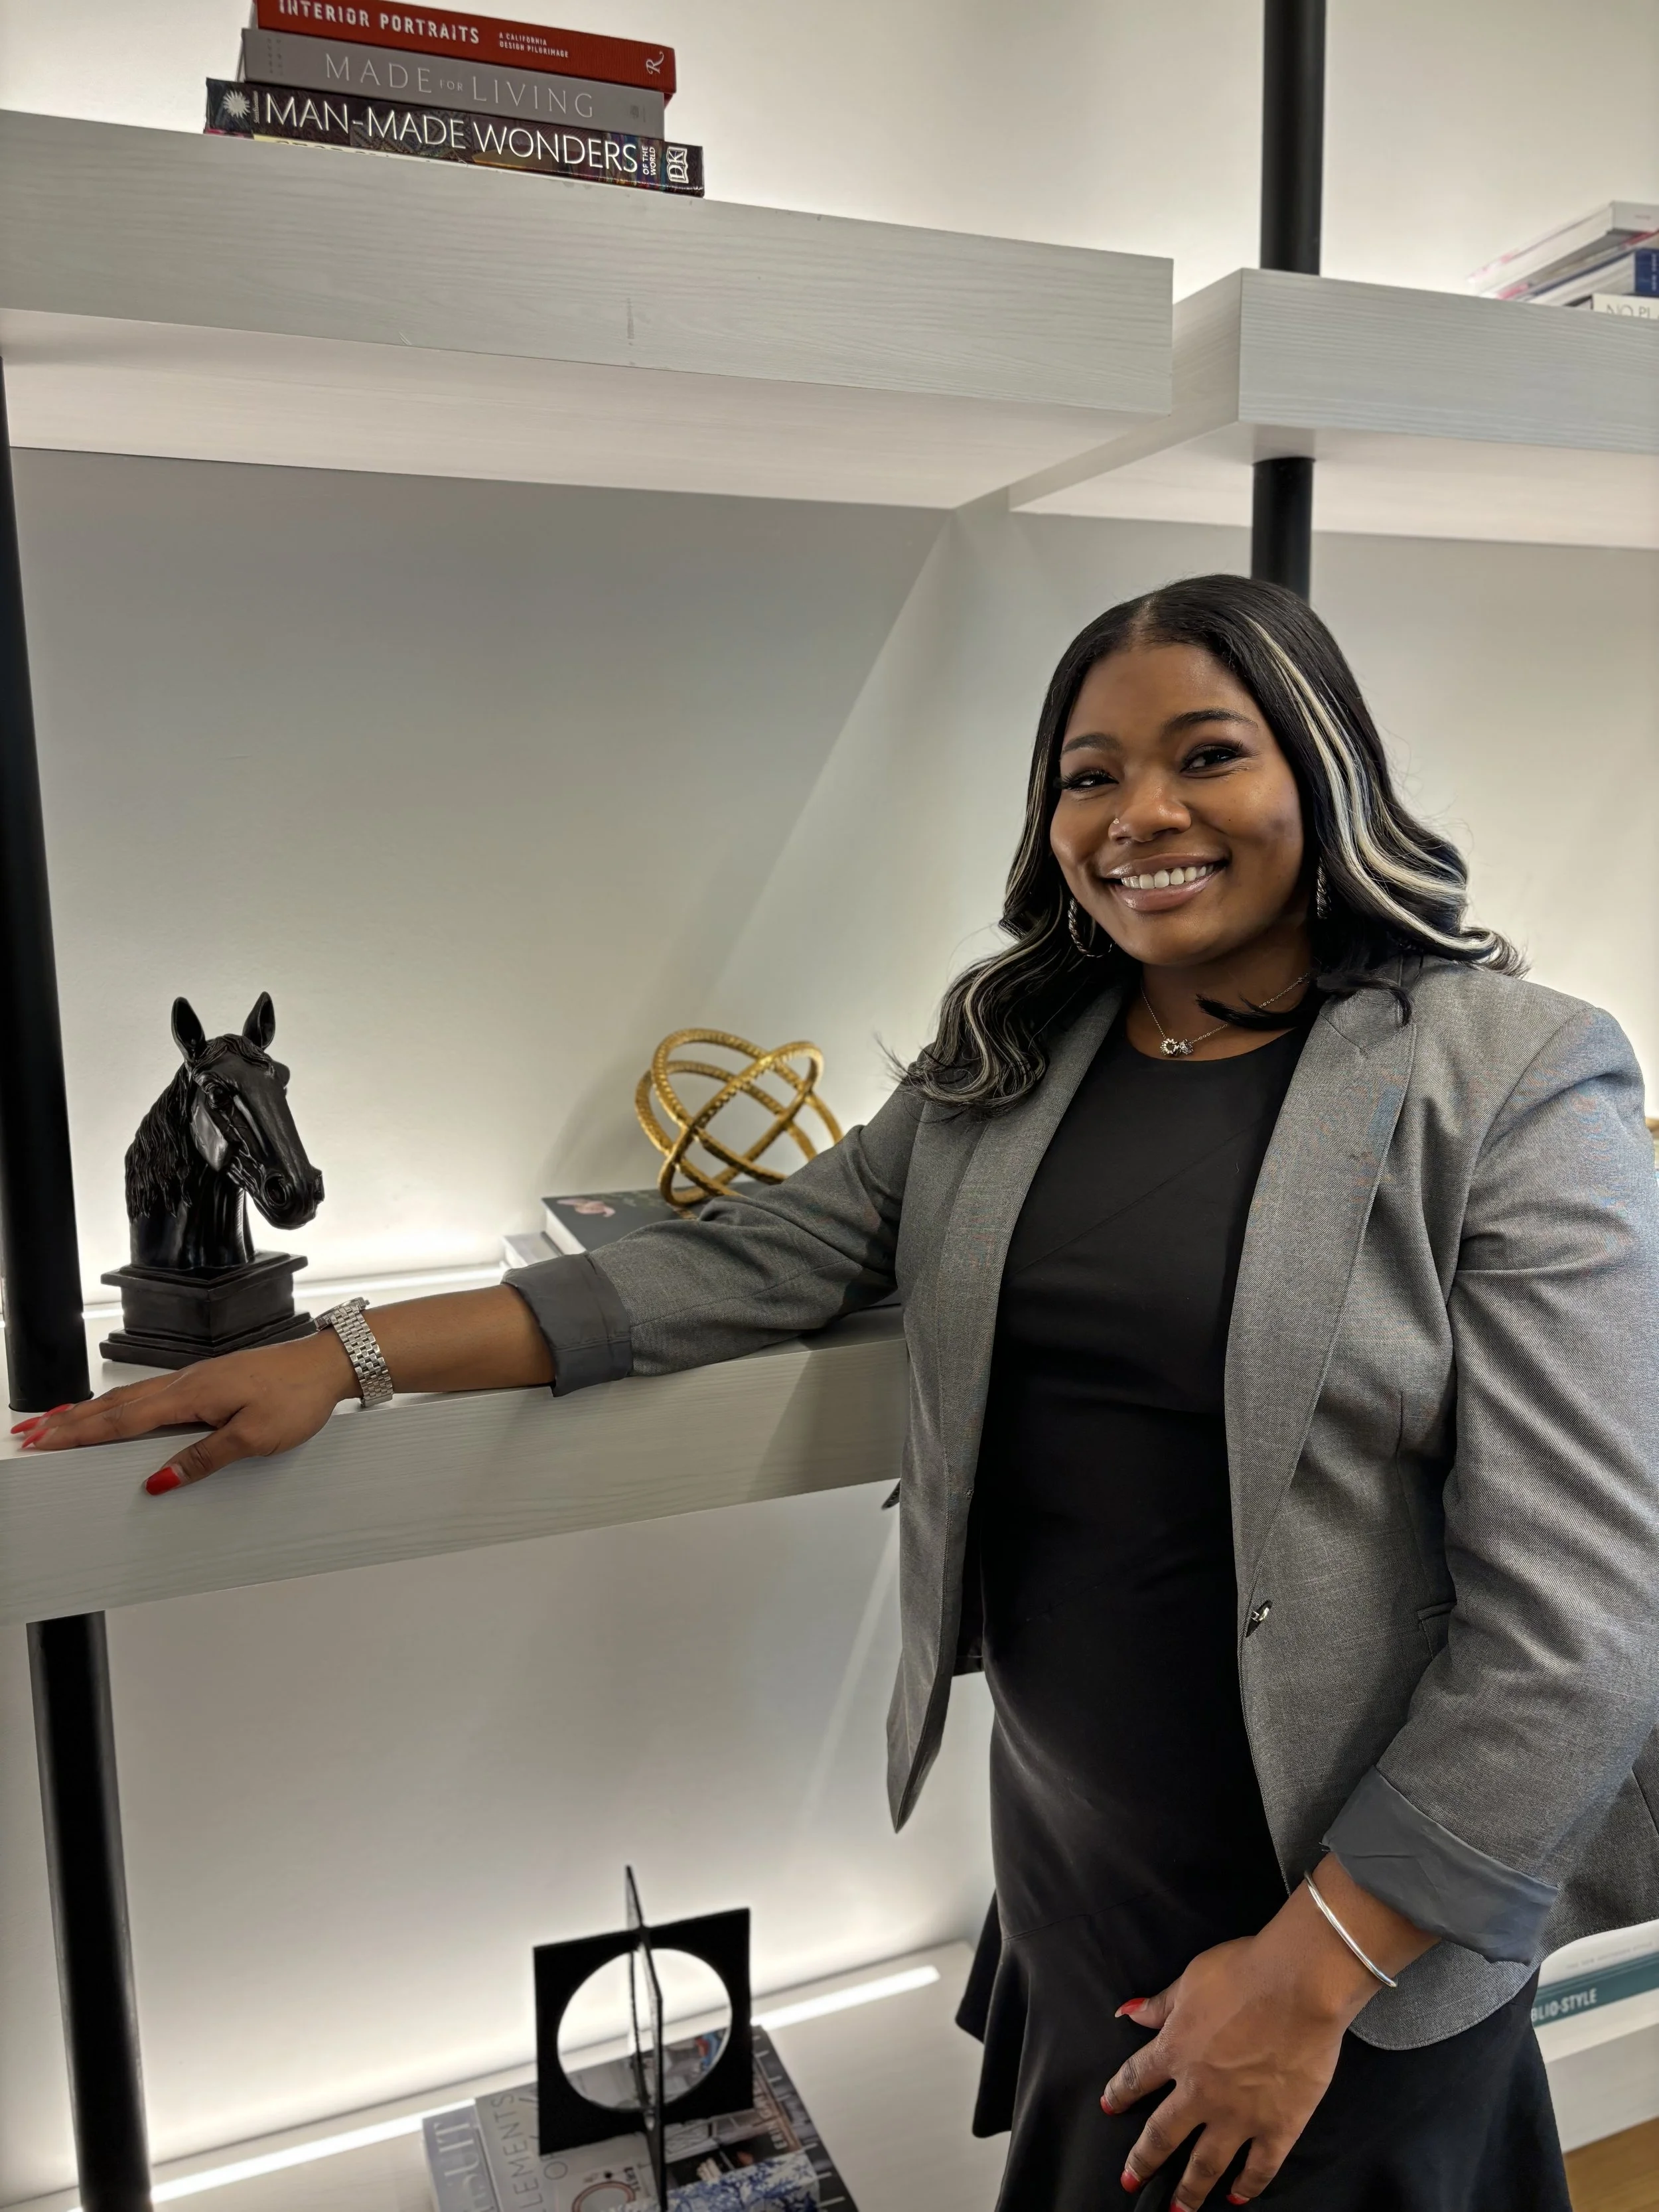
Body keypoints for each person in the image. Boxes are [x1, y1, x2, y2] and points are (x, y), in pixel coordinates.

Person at [24, 575, 1659, 2210]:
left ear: (1322, 768)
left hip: (1346, 1931)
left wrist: (1313, 1968)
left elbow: (1580, 1625)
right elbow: (746, 1257)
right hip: (1077, 1872)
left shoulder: (1509, 1073)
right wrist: (344, 1354)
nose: (1138, 815)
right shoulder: (1009, 1066)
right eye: (1086, 775)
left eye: (1205, 755)